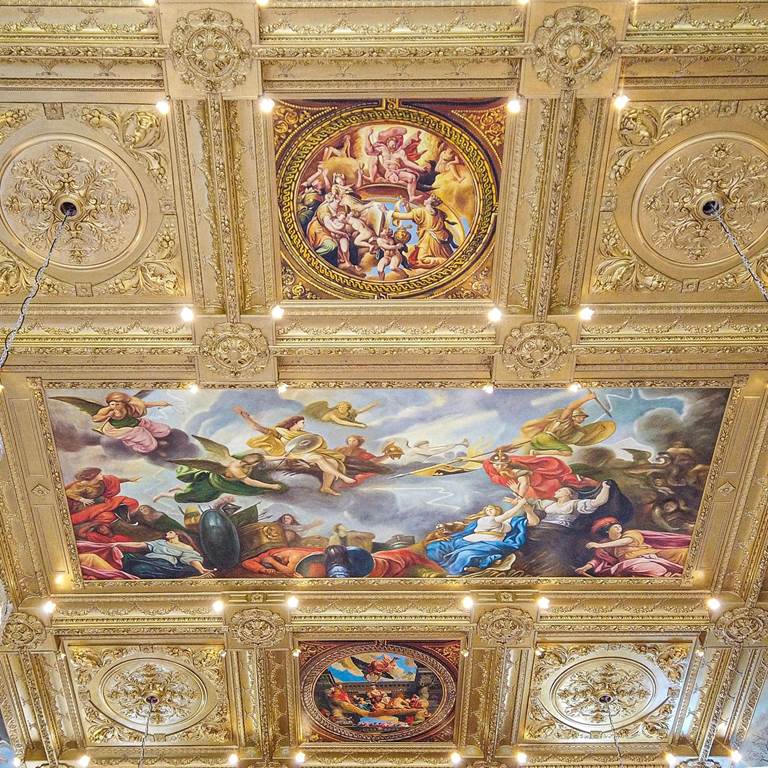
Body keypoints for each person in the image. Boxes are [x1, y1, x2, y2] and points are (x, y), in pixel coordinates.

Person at [234, 408, 356, 495]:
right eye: (302, 422)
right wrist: (246, 417)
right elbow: (257, 428)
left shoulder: (304, 434)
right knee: (318, 458)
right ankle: (342, 476)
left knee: (333, 462)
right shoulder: (280, 432)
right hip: (291, 455)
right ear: (294, 423)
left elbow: (313, 444)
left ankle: (325, 487)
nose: (303, 425)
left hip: (306, 454)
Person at [424, 497, 536, 576]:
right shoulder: (486, 519)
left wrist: (527, 509)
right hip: (469, 540)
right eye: (487, 510)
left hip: (490, 544)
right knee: (437, 546)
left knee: (466, 555)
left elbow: (533, 522)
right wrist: (519, 505)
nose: (489, 510)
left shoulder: (509, 521)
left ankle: (470, 568)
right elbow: (506, 515)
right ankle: (434, 565)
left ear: (498, 510)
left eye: (491, 509)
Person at [507, 391, 616, 456]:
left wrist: (598, 431)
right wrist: (587, 398)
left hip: (541, 441)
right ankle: (536, 453)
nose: (583, 420)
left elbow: (581, 440)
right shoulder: (564, 420)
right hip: (545, 439)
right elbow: (571, 407)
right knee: (568, 452)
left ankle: (537, 452)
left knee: (566, 450)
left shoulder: (572, 430)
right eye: (582, 417)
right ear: (574, 416)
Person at [575, 517, 691, 577]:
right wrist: (585, 568)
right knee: (654, 570)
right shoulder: (605, 544)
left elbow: (627, 541)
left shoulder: (630, 533)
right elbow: (599, 560)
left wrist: (600, 545)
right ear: (606, 531)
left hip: (654, 554)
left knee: (684, 553)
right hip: (633, 562)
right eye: (614, 527)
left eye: (618, 525)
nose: (618, 527)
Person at [66, 468, 141, 542]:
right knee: (106, 516)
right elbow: (68, 492)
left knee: (132, 502)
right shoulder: (82, 485)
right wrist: (82, 499)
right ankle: (119, 514)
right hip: (88, 506)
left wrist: (129, 479)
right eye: (100, 474)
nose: (102, 475)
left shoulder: (101, 480)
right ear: (93, 476)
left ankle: (121, 512)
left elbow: (115, 480)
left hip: (102, 501)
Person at [91, 391, 172, 453]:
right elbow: (95, 419)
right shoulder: (107, 410)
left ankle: (149, 434)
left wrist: (159, 403)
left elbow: (144, 405)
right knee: (150, 445)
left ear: (123, 404)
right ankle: (135, 443)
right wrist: (107, 416)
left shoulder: (128, 407)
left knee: (165, 430)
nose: (115, 406)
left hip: (135, 423)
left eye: (118, 404)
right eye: (112, 404)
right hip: (123, 430)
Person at [391, 195, 455, 268]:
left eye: (427, 199)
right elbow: (419, 219)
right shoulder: (439, 213)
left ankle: (442, 261)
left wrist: (387, 212)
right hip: (439, 241)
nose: (425, 200)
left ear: (430, 202)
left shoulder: (421, 211)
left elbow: (404, 216)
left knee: (422, 259)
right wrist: (406, 206)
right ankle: (444, 261)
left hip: (427, 240)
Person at [119, 531, 214, 578]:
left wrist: (202, 570)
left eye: (171, 532)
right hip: (148, 560)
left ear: (177, 535)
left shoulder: (185, 547)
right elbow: (139, 544)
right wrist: (118, 544)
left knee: (139, 569)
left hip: (164, 564)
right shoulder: (160, 542)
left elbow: (191, 559)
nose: (167, 533)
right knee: (128, 558)